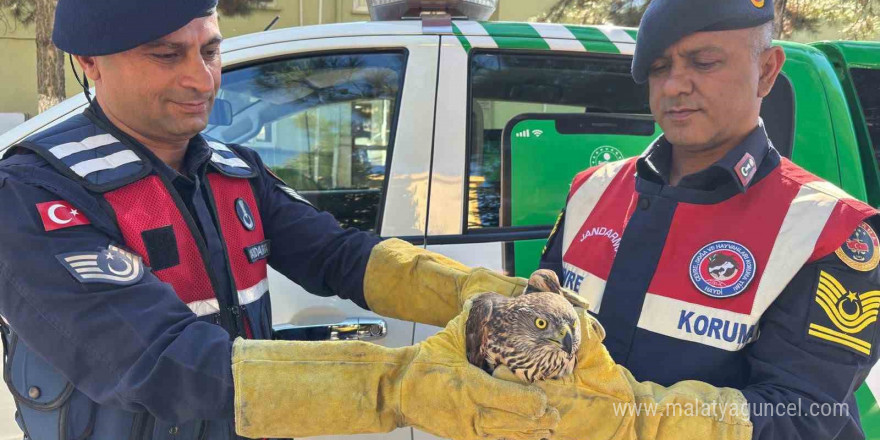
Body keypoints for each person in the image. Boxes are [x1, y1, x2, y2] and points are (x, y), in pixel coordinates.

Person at [0, 1, 560, 439]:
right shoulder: (33, 191)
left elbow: (338, 255)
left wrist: (484, 294)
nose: (202, 80)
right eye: (166, 55)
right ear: (88, 62)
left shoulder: (232, 170)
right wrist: (402, 388)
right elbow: (162, 362)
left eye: (211, 52)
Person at [532, 0, 880, 439]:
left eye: (705, 62)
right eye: (659, 67)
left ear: (768, 70)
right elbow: (542, 328)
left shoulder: (829, 230)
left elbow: (803, 415)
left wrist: (628, 420)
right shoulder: (592, 189)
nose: (675, 85)